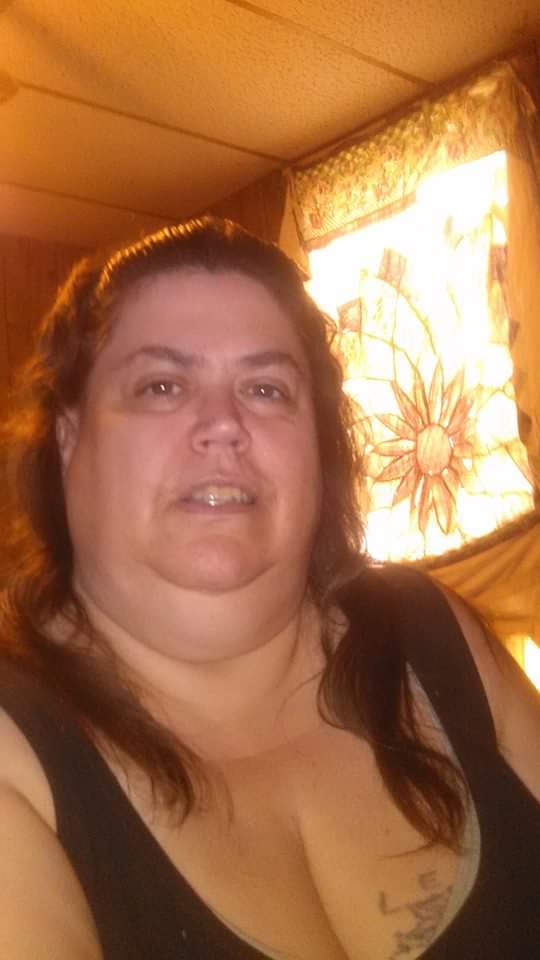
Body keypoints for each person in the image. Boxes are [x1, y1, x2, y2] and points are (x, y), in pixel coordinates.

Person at [0, 217, 538, 960]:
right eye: (162, 385)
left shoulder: (431, 630)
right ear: (67, 439)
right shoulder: (16, 759)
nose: (223, 424)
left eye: (265, 388)